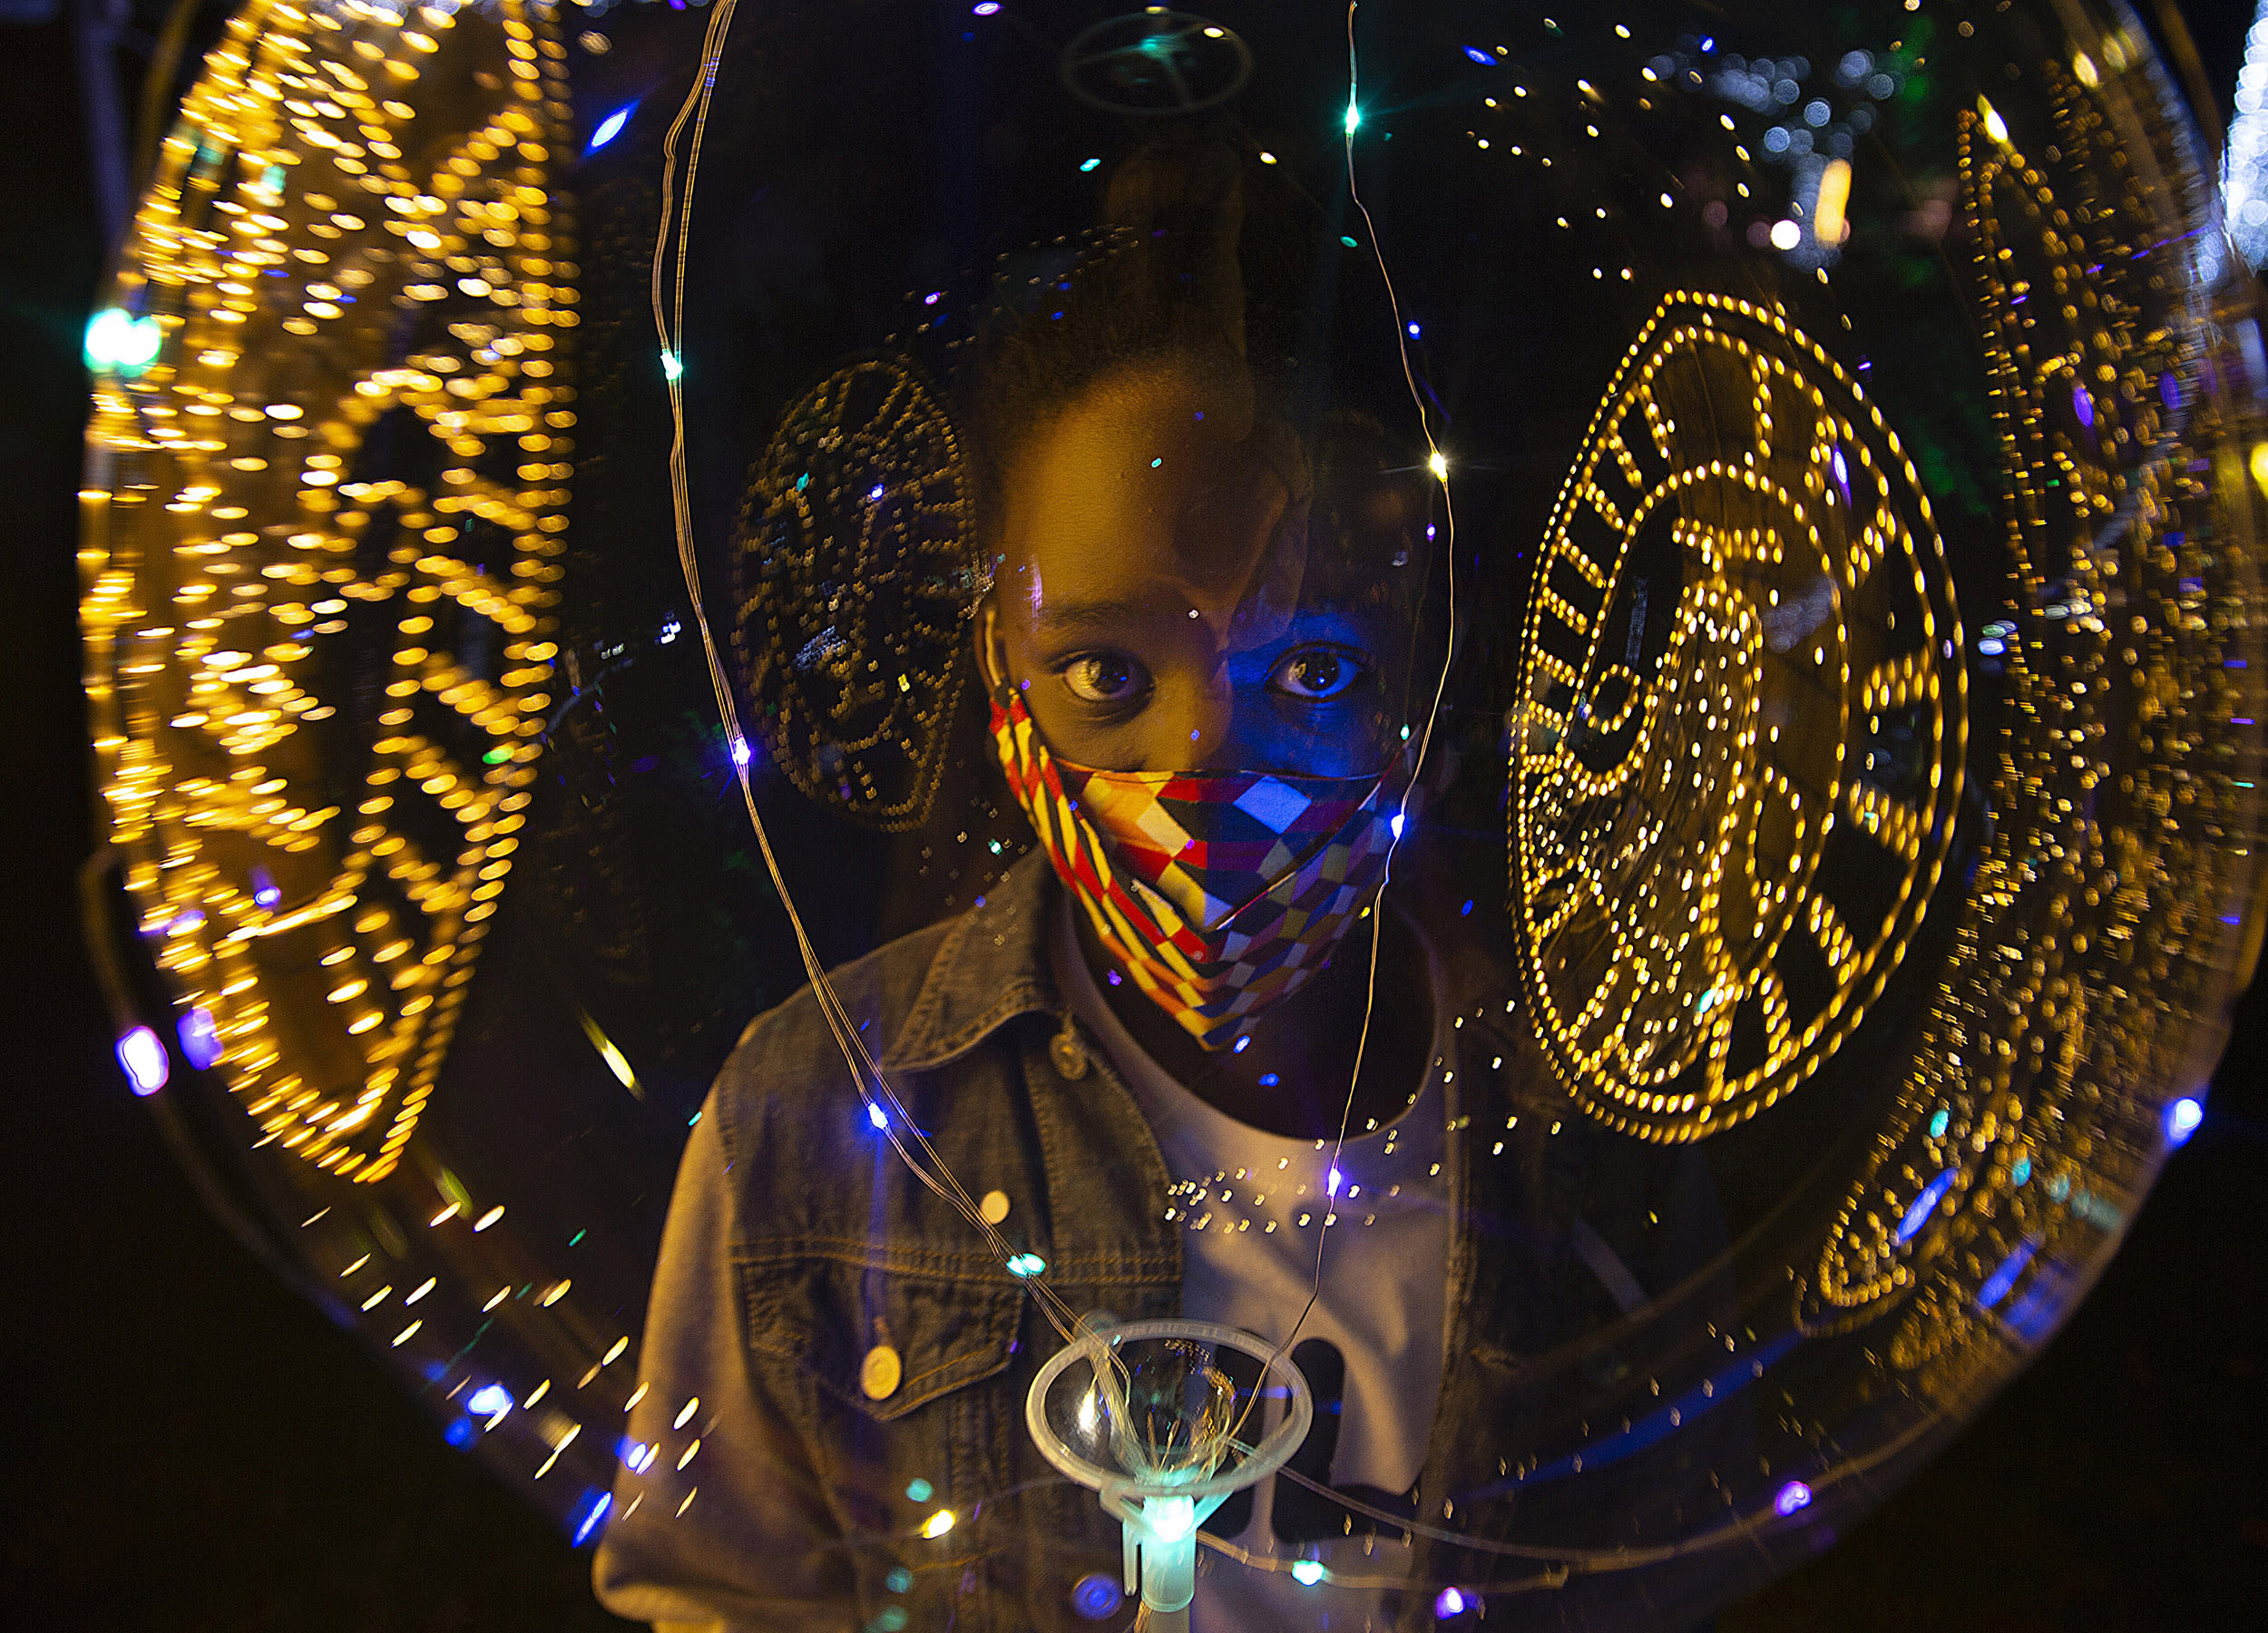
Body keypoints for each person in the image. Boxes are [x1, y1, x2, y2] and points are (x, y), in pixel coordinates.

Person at [593, 145, 1727, 1633]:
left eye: (1312, 670)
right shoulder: (814, 1121)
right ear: (998, 663)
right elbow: (715, 1598)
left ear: (1427, 671)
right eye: (1108, 674)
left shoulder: (1588, 1128)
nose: (1201, 766)